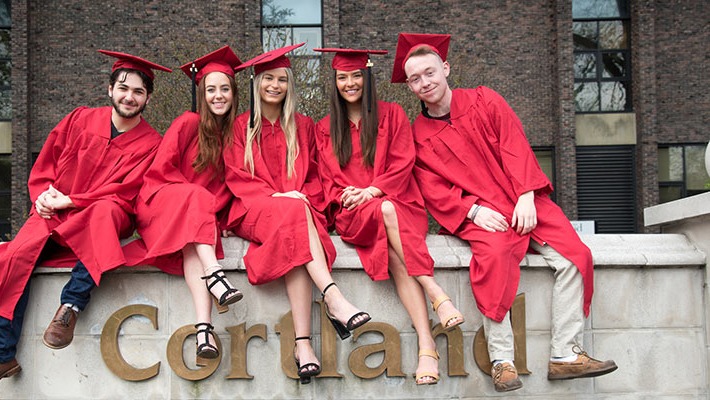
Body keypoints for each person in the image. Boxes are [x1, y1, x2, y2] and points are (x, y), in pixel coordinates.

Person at [392, 33, 617, 392]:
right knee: (493, 259)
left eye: (430, 72)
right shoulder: (418, 134)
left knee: (576, 256)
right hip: (482, 215)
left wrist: (527, 195)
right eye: (415, 79)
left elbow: (516, 146)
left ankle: (565, 355)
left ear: (445, 69)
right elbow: (432, 188)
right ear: (409, 85)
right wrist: (473, 210)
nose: (425, 83)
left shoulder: (485, 100)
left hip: (524, 200)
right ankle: (502, 362)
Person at [0, 50, 169, 398]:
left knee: (102, 214)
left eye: (138, 92)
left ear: (148, 97)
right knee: (17, 254)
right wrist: (42, 196)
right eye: (123, 88)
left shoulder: (151, 143)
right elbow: (46, 166)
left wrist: (74, 200)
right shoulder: (79, 120)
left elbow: (128, 192)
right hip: (56, 212)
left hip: (105, 214)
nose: (129, 96)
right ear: (110, 90)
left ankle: (70, 307)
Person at [313, 47, 463, 386]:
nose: (349, 83)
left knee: (394, 245)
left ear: (367, 78)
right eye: (342, 77)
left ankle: (427, 346)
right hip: (354, 214)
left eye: (355, 76)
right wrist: (350, 195)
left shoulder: (393, 115)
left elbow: (402, 161)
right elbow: (327, 181)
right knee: (383, 211)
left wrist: (374, 190)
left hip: (397, 201)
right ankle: (435, 291)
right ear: (335, 83)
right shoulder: (325, 128)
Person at [224, 43, 371, 384]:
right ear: (256, 83)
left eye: (282, 80)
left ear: (290, 85)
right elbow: (237, 177)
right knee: (294, 212)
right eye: (268, 79)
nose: (275, 86)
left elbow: (317, 177)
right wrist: (277, 195)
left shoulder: (303, 126)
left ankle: (303, 346)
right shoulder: (241, 126)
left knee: (295, 227)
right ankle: (333, 297)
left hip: (296, 209)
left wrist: (296, 197)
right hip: (254, 209)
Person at [122, 46, 243, 360]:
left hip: (195, 218)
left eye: (225, 89)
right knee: (197, 201)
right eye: (211, 89)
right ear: (202, 94)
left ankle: (204, 330)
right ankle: (216, 275)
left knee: (194, 239)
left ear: (234, 94)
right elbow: (160, 169)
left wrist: (225, 220)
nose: (218, 96)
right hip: (159, 202)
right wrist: (196, 201)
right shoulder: (188, 122)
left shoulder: (233, 135)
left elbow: (231, 187)